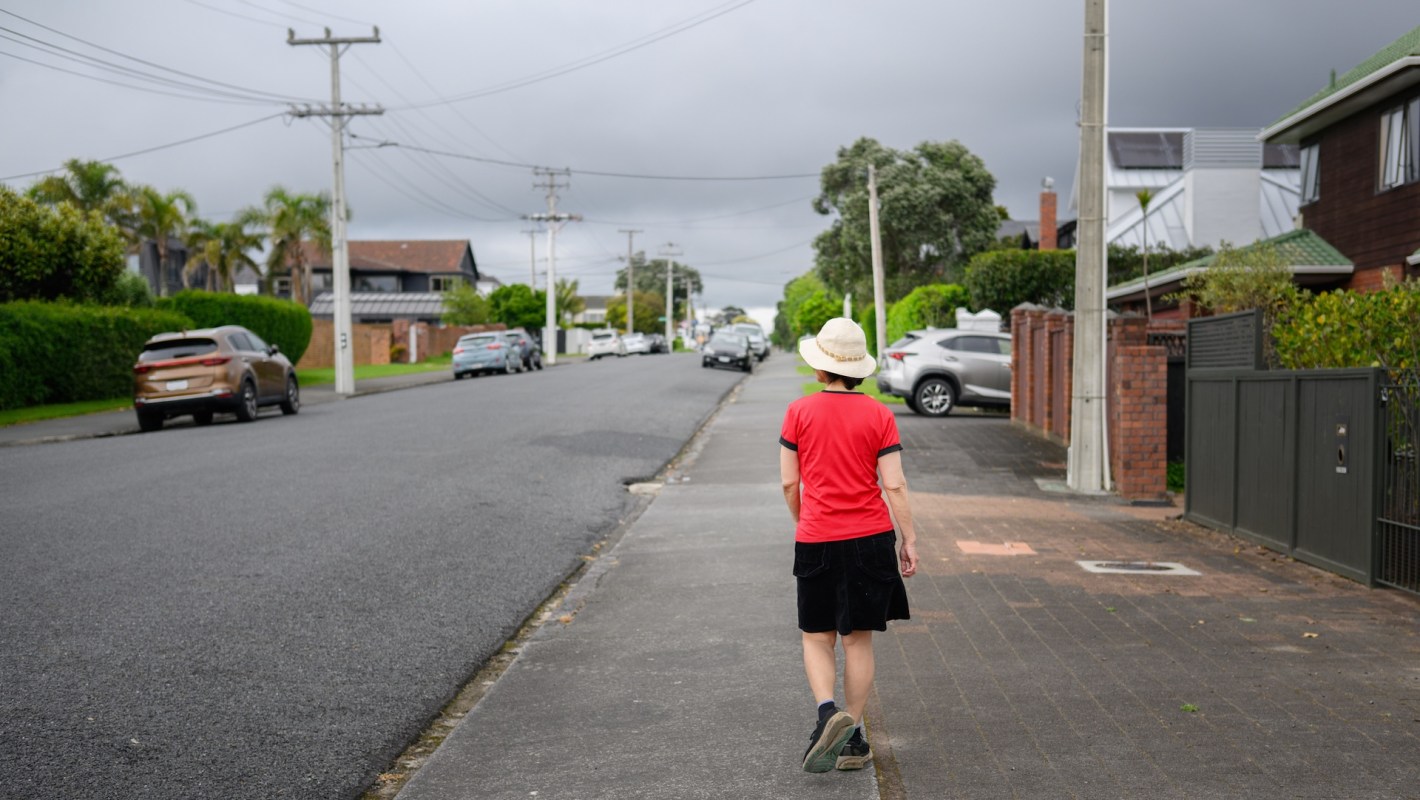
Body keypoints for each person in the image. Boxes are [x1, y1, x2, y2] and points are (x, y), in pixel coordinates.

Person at [779, 317, 918, 774]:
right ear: (859, 368)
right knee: (858, 641)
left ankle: (826, 714)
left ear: (820, 368)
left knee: (817, 638)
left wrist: (806, 521)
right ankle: (853, 737)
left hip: (817, 536)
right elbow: (894, 485)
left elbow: (788, 481)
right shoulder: (880, 414)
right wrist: (908, 537)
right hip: (872, 539)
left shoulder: (799, 412)